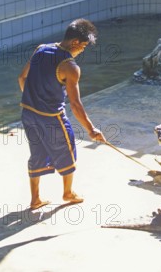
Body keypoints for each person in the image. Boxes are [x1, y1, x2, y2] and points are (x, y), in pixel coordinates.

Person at [18, 18, 107, 209]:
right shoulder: (70, 67)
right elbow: (75, 104)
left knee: (37, 153)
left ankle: (35, 199)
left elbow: (22, 77)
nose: (82, 51)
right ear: (75, 42)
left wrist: (34, 98)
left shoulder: (41, 49)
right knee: (66, 151)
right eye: (83, 46)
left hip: (28, 113)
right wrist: (91, 130)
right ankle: (67, 193)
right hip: (52, 118)